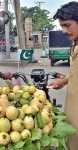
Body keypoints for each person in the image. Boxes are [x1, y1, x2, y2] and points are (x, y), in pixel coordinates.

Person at [48, 1, 78, 149]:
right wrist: (64, 81)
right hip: (73, 104)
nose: (64, 30)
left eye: (67, 25)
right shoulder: (75, 44)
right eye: (61, 26)